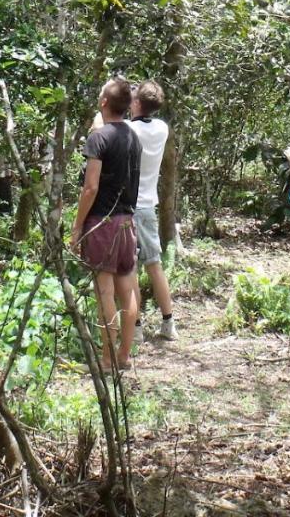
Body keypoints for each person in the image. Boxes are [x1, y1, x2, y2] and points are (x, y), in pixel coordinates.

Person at [72, 77, 142, 371]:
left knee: (104, 293)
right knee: (128, 291)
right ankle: (124, 355)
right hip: (128, 223)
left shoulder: (98, 138)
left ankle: (107, 359)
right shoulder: (133, 137)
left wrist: (77, 228)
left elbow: (90, 188)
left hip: (103, 223)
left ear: (103, 103)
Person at [127, 80, 178, 341]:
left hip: (129, 206)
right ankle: (168, 322)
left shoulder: (127, 129)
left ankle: (135, 327)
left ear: (136, 103)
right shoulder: (162, 128)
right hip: (148, 205)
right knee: (154, 265)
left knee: (130, 269)